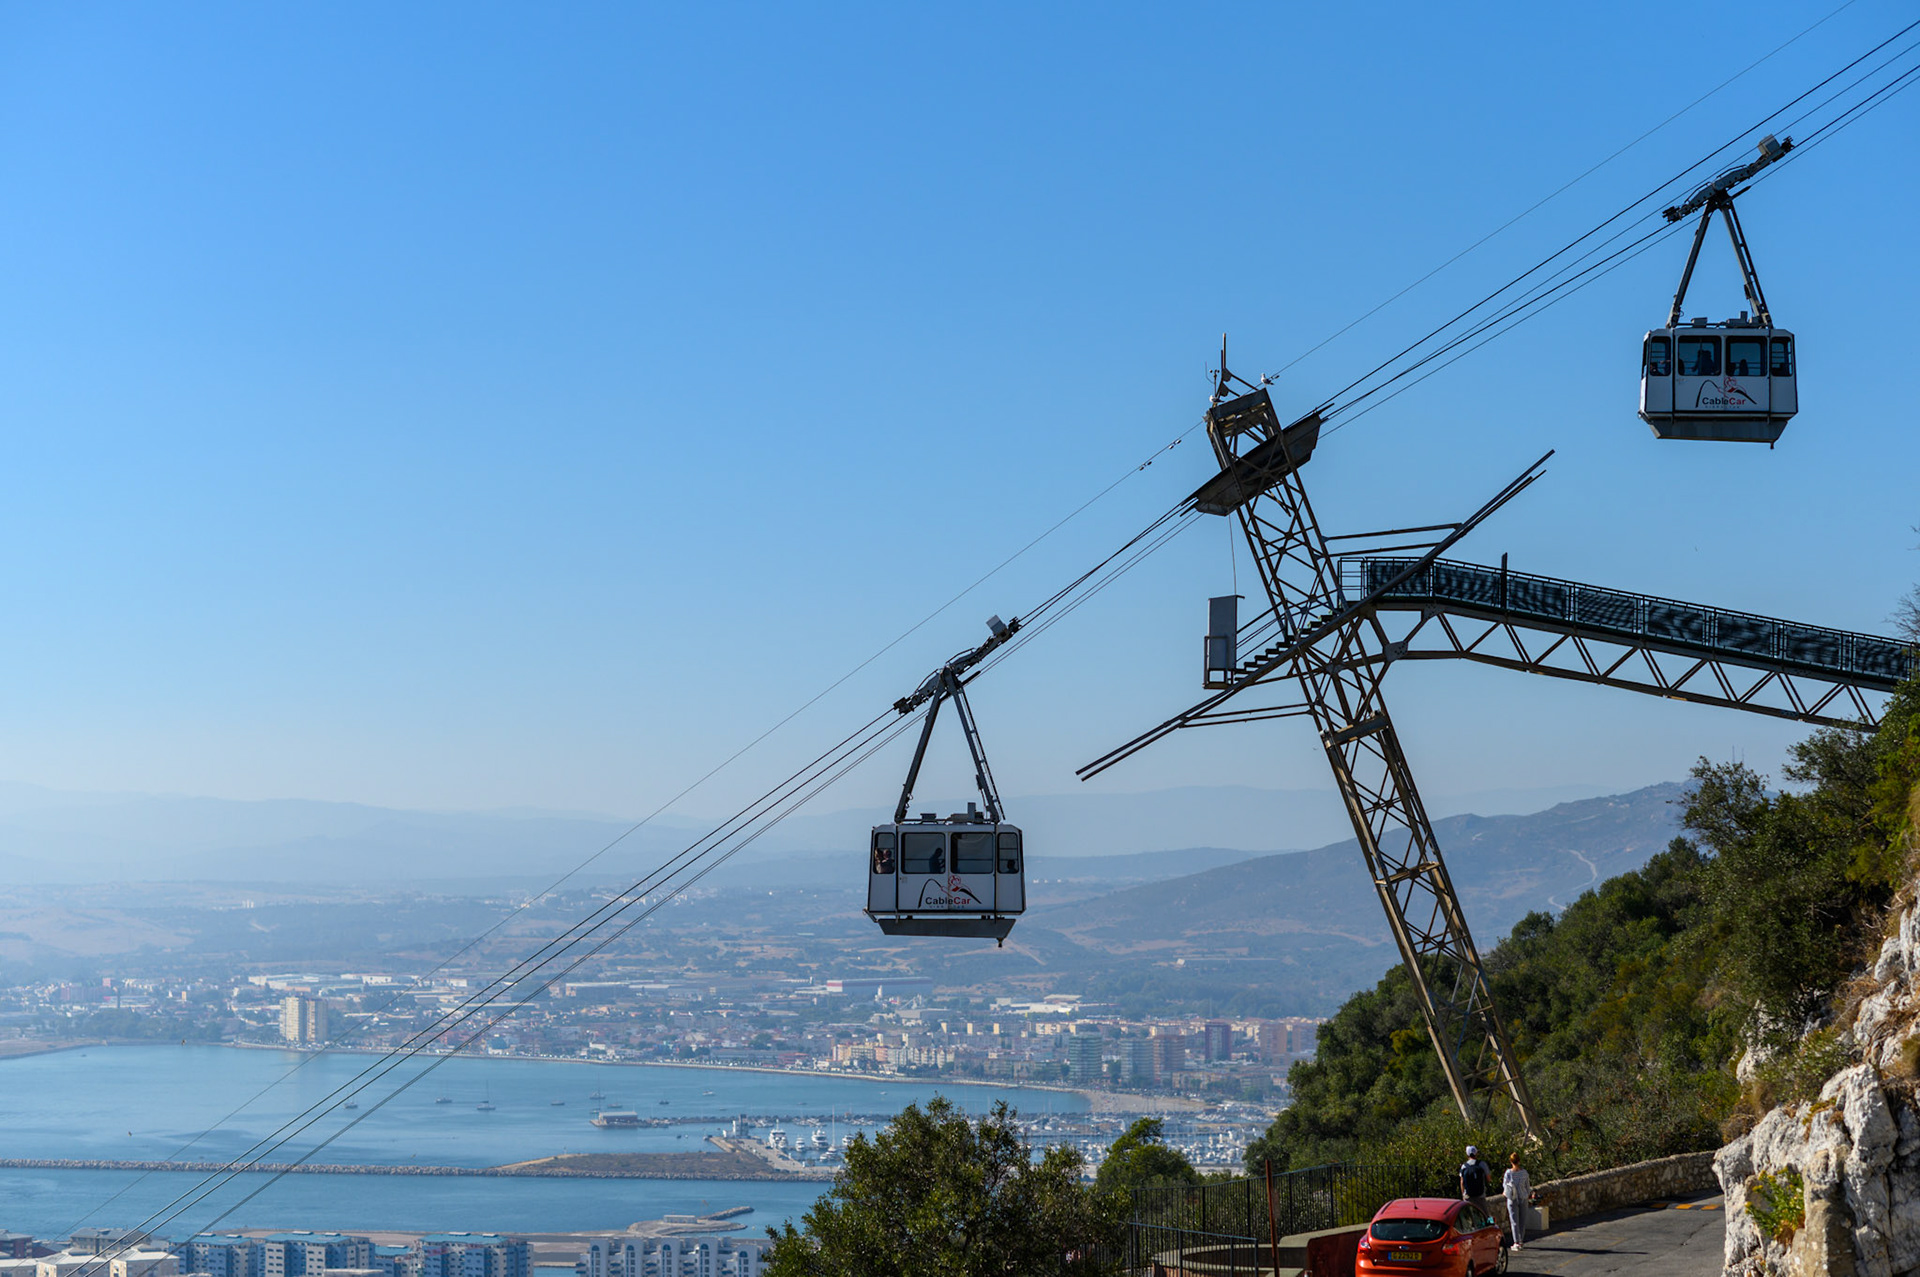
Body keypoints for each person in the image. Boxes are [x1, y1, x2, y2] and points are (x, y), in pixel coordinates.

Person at [1503, 1153, 1532, 1249]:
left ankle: (1516, 1242)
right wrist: (1526, 1194)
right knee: (1522, 1220)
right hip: (1523, 1198)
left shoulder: (1508, 1173)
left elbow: (1505, 1186)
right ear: (1519, 1161)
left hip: (1512, 1198)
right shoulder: (1524, 1173)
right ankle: (1521, 1240)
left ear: (1511, 1162)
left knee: (1514, 1221)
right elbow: (1528, 1187)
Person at [1459, 1145, 1492, 1216]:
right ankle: (1491, 1225)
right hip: (1480, 1194)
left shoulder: (1464, 1166)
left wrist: (1463, 1195)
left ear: (1467, 1154)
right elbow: (1489, 1178)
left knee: (1471, 1216)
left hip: (1468, 1196)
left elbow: (1462, 1182)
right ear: (1476, 1153)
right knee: (1486, 1214)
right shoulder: (1482, 1164)